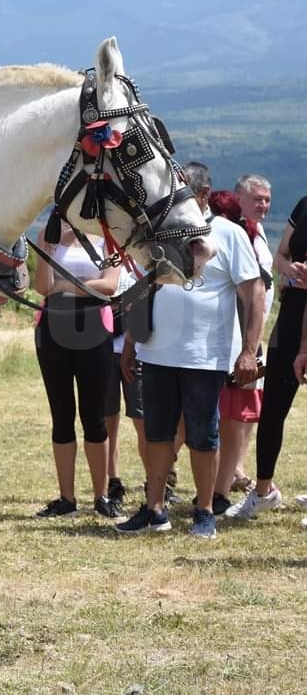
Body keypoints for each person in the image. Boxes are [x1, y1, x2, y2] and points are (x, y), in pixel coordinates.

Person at [115, 162, 264, 539]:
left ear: (200, 195)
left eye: (180, 193)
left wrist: (249, 351)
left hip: (205, 355)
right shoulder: (162, 233)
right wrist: (132, 342)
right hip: (157, 352)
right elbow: (146, 289)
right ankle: (154, 509)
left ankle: (204, 510)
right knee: (157, 433)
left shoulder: (229, 234)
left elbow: (254, 294)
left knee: (203, 433)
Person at [225, 191, 307, 521]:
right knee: (272, 406)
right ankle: (263, 491)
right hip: (292, 315)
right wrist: (292, 270)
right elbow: (280, 256)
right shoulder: (303, 204)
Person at [32, 219, 122, 519]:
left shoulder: (109, 237)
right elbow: (43, 286)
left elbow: (109, 286)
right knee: (61, 415)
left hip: (94, 327)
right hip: (52, 328)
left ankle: (101, 496)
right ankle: (66, 499)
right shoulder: (49, 234)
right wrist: (47, 247)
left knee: (94, 416)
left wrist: (66, 284)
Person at [208, 190, 270, 514]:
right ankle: (215, 486)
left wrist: (250, 348)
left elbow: (260, 296)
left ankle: (220, 487)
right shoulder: (244, 238)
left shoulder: (244, 241)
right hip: (221, 346)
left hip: (240, 346)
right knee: (224, 421)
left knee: (233, 421)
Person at [229, 173, 274, 492]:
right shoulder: (235, 233)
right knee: (231, 405)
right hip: (235, 334)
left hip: (254, 337)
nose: (263, 205)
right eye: (257, 198)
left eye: (267, 199)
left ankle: (236, 468)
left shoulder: (260, 234)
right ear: (239, 199)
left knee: (249, 405)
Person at [103, 268, 146, 508]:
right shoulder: (105, 260)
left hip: (140, 353)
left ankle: (156, 481)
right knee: (109, 420)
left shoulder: (144, 262)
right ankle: (113, 480)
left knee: (143, 421)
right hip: (106, 348)